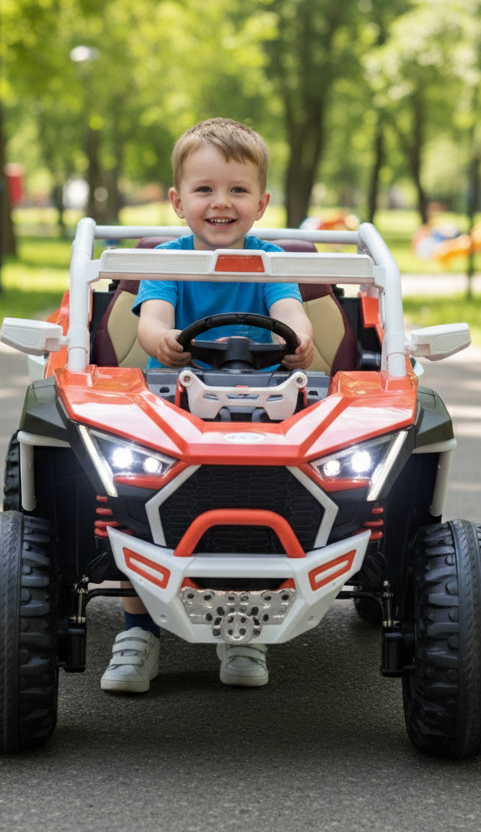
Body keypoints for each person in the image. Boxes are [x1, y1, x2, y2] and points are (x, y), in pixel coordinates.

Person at [100, 118, 315, 694]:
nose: (221, 203)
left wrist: (302, 339)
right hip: (172, 407)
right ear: (178, 202)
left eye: (237, 190)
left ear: (261, 204)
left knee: (256, 510)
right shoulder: (167, 260)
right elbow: (152, 321)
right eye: (205, 189)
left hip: (266, 409)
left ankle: (244, 630)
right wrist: (162, 342)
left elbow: (291, 313)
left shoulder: (270, 261)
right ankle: (138, 631)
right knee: (136, 507)